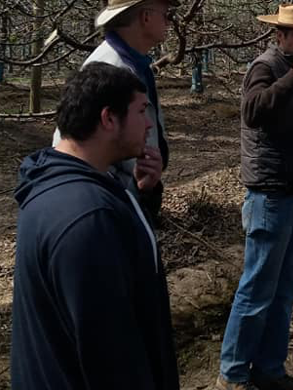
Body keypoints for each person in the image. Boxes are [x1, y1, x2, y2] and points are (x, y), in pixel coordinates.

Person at [10, 62, 179, 390]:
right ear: (109, 118)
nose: (148, 124)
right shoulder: (87, 217)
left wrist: (143, 194)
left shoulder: (64, 183)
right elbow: (111, 355)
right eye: (142, 111)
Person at [216, 4, 293, 390]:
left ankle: (269, 370)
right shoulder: (265, 68)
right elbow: (252, 111)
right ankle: (233, 376)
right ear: (279, 35)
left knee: (284, 289)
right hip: (271, 194)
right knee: (257, 289)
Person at [56, 0, 179, 220]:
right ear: (146, 17)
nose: (169, 23)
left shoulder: (136, 65)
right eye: (166, 15)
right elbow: (79, 149)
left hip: (128, 197)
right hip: (109, 206)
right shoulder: (110, 70)